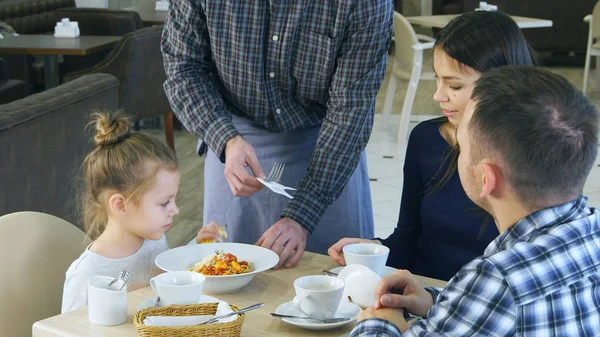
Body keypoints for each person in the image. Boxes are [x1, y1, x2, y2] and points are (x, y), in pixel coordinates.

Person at [350, 66, 600, 336]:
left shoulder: (497, 279)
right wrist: (439, 300)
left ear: (486, 178)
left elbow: (498, 296)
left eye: (462, 145)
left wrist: (380, 322)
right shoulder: (591, 231)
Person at [161, 1, 393, 268]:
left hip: (327, 141)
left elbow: (350, 110)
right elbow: (183, 66)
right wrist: (225, 138)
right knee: (228, 274)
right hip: (234, 132)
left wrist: (303, 214)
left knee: (334, 280)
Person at [329, 11, 537, 281]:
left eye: (453, 85)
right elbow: (408, 237)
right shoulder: (426, 139)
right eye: (437, 79)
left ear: (501, 83)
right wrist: (374, 250)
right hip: (421, 297)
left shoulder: (536, 154)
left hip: (489, 307)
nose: (438, 95)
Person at [61, 111, 179, 313]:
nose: (175, 210)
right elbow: (64, 331)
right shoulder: (86, 274)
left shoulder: (155, 239)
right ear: (120, 205)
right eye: (164, 203)